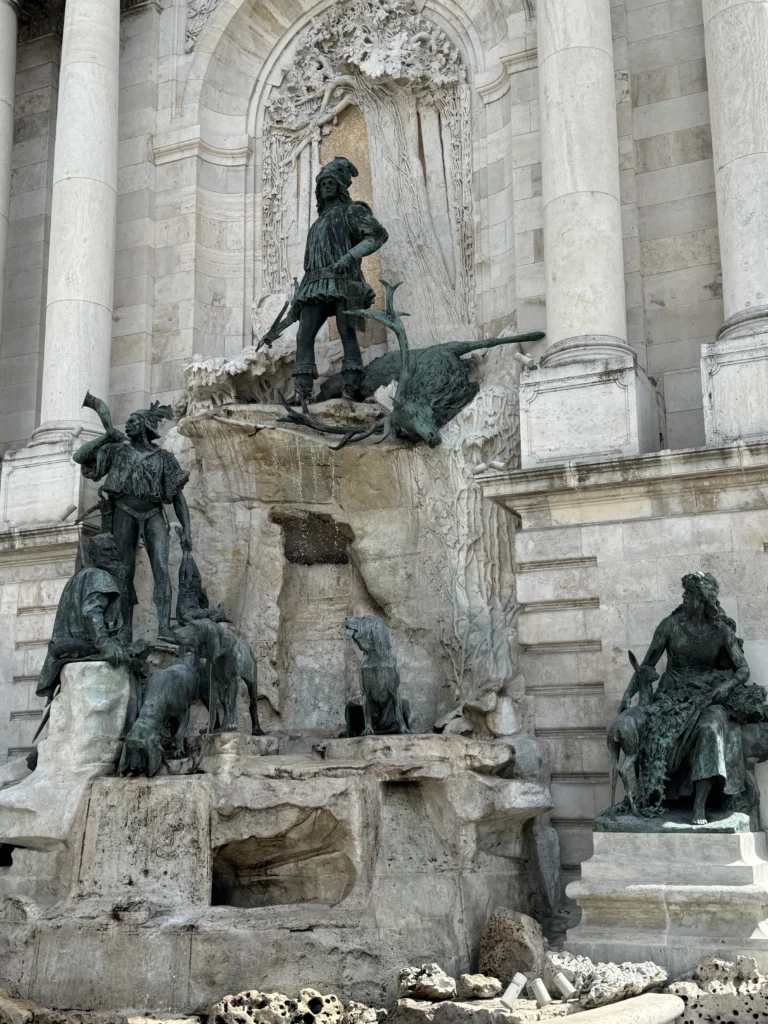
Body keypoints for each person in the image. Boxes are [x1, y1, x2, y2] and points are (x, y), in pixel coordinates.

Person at [624, 572, 755, 824]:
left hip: (707, 696)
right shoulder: (669, 625)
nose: (684, 598)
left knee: (710, 729)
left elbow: (743, 669)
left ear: (704, 600)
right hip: (671, 696)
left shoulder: (720, 631)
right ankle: (651, 796)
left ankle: (700, 805)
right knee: (653, 729)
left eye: (690, 594)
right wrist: (628, 695)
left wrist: (728, 685)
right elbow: (646, 666)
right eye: (685, 593)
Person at [262, 156, 389, 404]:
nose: (326, 187)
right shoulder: (317, 224)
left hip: (345, 281)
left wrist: (350, 257)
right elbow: (309, 269)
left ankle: (352, 385)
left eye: (331, 182)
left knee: (346, 331)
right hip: (315, 285)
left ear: (341, 187)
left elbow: (377, 236)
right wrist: (276, 330)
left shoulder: (353, 210)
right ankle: (302, 392)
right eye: (323, 184)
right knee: (304, 334)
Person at [73, 401, 192, 641]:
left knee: (161, 568)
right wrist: (107, 437)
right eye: (127, 422)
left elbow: (178, 497)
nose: (127, 426)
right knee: (124, 571)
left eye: (133, 422)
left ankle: (164, 629)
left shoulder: (164, 458)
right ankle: (125, 629)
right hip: (124, 512)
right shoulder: (117, 450)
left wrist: (187, 529)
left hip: (154, 514)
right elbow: (80, 457)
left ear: (146, 426)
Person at [36, 533, 127, 701]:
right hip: (87, 647)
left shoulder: (76, 578)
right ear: (92, 555)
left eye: (114, 549)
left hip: (67, 651)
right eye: (107, 550)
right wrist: (104, 643)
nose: (114, 554)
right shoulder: (99, 576)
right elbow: (91, 611)